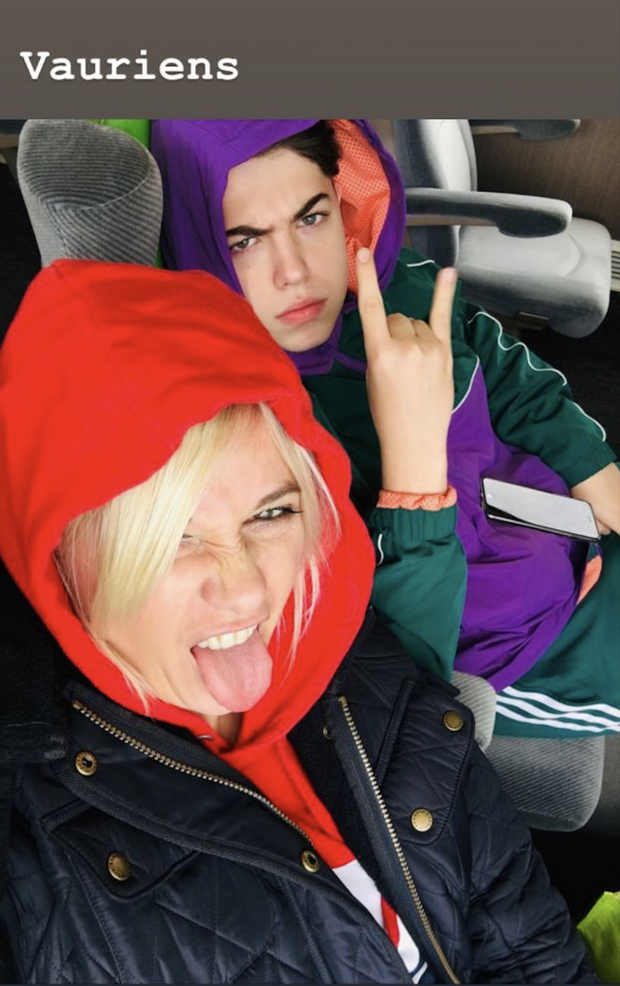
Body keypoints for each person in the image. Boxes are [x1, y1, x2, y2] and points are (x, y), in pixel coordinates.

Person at [0, 260, 597, 983]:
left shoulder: (359, 659)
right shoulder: (31, 844)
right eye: (173, 537)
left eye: (272, 512)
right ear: (59, 552)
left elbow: (534, 948)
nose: (248, 589)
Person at [151, 118, 620, 739]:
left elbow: (491, 355)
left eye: (311, 217)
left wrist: (590, 463)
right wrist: (411, 465)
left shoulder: (379, 281)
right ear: (199, 245)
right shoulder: (235, 431)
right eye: (244, 241)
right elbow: (382, 661)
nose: (295, 271)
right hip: (524, 645)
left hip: (554, 522)